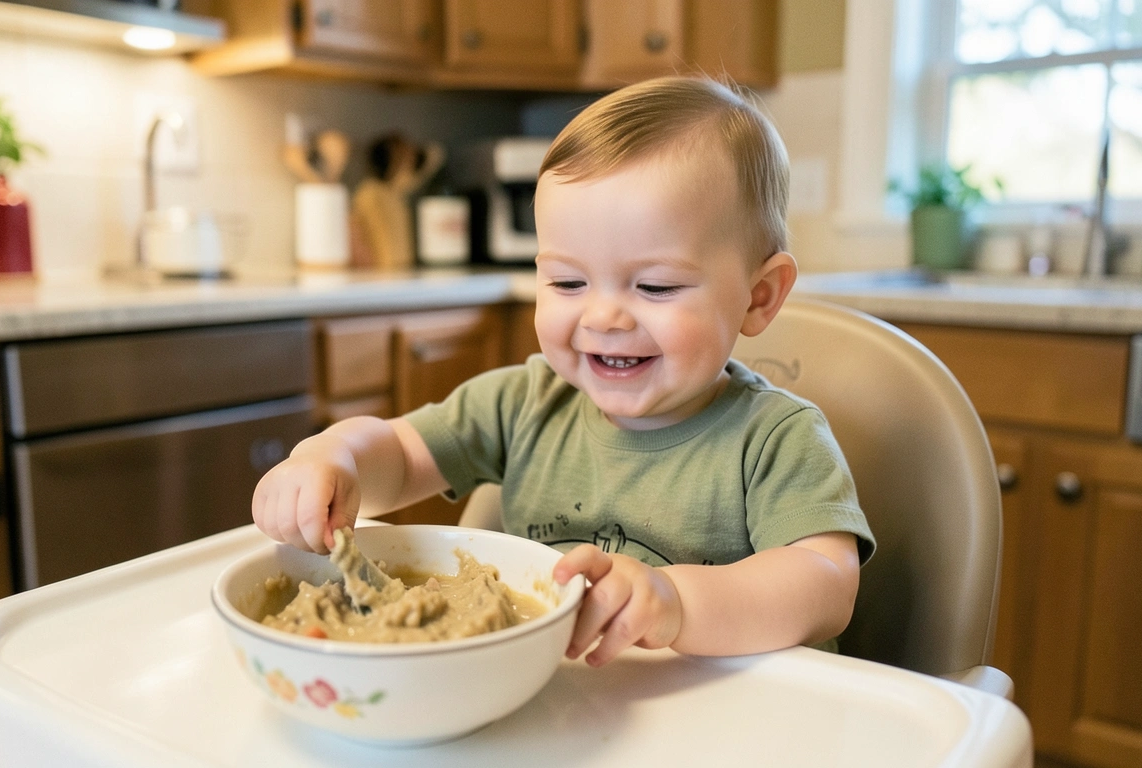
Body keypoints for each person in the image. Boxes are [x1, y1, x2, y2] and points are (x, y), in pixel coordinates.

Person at [253, 75, 875, 667]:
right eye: (568, 281)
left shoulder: (776, 440)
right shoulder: (524, 403)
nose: (602, 315)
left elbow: (824, 585)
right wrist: (332, 457)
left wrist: (678, 604)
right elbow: (401, 452)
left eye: (655, 286)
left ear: (759, 297)